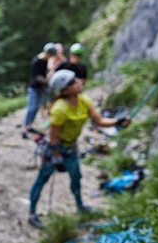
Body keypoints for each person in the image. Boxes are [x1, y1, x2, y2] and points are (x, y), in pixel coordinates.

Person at [27, 70, 131, 228]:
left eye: (76, 80)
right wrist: (56, 156)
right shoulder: (60, 109)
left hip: (70, 148)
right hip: (55, 149)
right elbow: (54, 136)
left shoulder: (84, 100)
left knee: (76, 177)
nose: (78, 82)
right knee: (42, 179)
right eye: (72, 82)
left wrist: (118, 122)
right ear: (64, 90)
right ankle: (32, 213)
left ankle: (80, 205)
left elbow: (99, 120)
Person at [22, 42, 57, 139]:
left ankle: (29, 126)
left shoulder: (45, 61)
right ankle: (24, 129)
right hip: (34, 88)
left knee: (36, 108)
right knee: (31, 108)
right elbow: (37, 77)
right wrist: (48, 82)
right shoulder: (36, 61)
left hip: (42, 88)